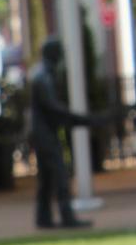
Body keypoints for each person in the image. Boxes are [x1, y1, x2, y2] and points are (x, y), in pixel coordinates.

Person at [28, 35, 93, 230]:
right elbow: (52, 108)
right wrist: (78, 118)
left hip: (43, 133)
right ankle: (66, 216)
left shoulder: (42, 74)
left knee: (47, 179)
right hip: (44, 134)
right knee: (60, 175)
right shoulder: (43, 77)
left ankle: (43, 218)